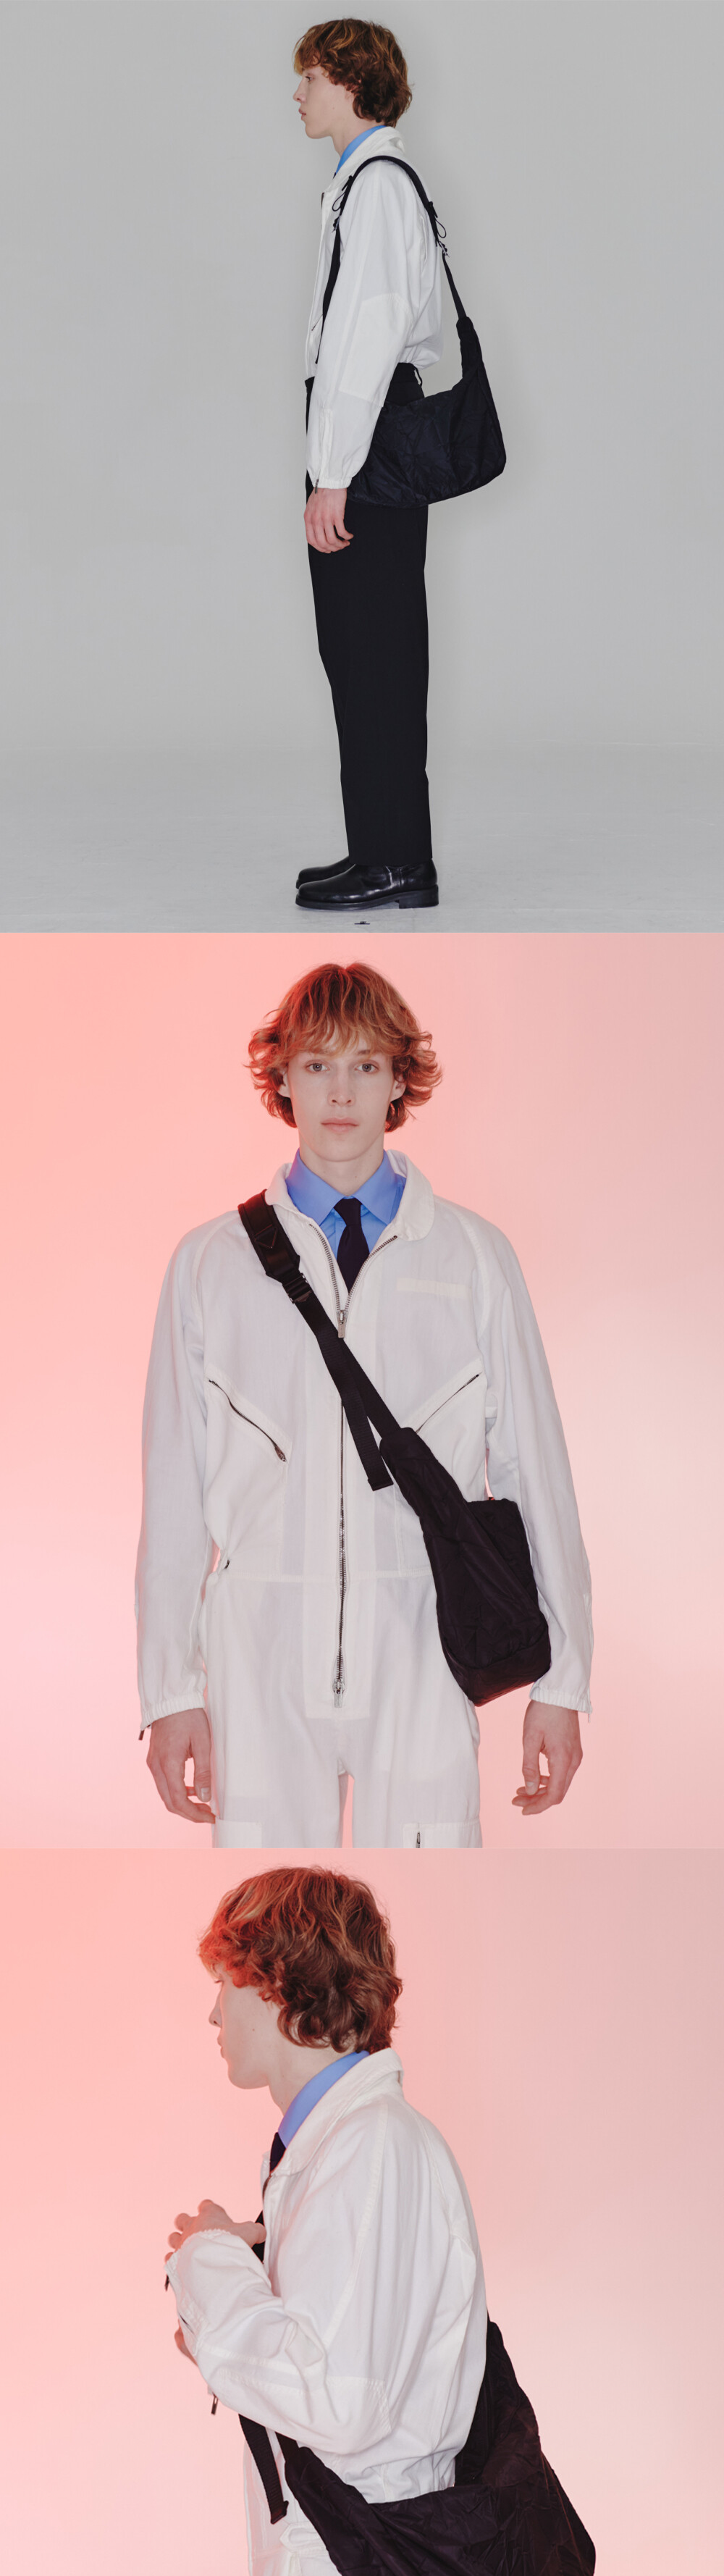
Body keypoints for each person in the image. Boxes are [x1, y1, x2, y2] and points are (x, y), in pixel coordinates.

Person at [138, 959, 592, 1851]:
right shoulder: (210, 1265)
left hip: (422, 1643)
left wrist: (563, 1681)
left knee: (432, 1881)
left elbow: (534, 1467)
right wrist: (170, 1690)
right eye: (316, 1065)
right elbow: (173, 1488)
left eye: (365, 1064)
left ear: (397, 1080)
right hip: (258, 1655)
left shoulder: (471, 1257)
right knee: (268, 1891)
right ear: (282, 1078)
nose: (340, 1092)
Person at [164, 1864, 487, 2576]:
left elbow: (335, 2396)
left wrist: (208, 2256)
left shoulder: (370, 2148)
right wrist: (240, 2305)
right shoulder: (345, 2151)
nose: (213, 2014)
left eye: (223, 1984)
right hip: (336, 2574)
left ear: (278, 1983)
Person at [293, 25, 442, 907]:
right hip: (369, 438)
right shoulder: (362, 182)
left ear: (350, 82)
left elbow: (365, 345)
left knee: (375, 650)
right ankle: (381, 851)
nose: (298, 94)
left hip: (372, 441)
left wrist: (333, 474)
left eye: (310, 77)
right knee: (358, 649)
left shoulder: (378, 188)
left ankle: (397, 862)